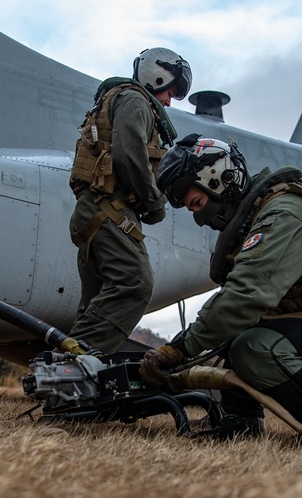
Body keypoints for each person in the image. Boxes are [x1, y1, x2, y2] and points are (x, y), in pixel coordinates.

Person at [139, 135, 302, 439]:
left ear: (221, 180)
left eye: (197, 204)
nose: (199, 220)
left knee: (253, 347)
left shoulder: (285, 213)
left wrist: (181, 349)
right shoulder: (258, 217)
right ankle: (242, 422)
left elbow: (246, 295)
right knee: (236, 331)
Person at [67, 47, 192, 353]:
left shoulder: (114, 99)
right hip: (110, 210)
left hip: (95, 212)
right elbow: (129, 154)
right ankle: (70, 367)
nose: (168, 101)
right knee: (135, 285)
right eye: (169, 92)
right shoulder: (135, 100)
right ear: (157, 76)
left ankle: (75, 386)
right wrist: (154, 202)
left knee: (96, 305)